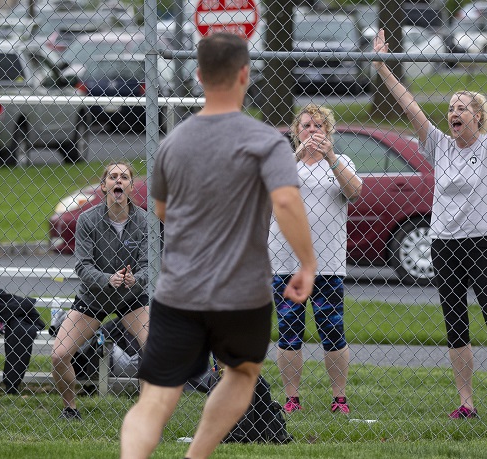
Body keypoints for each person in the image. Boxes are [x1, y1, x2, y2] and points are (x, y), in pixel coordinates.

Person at [119, 32, 317, 459]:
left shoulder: (172, 143)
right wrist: (307, 262)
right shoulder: (267, 142)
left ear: (198, 75)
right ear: (245, 74)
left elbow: (162, 210)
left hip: (179, 288)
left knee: (156, 396)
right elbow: (285, 200)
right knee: (241, 374)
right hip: (239, 289)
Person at [373, 23, 487, 419]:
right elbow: (411, 107)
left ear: (477, 116)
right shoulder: (440, 146)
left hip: (485, 242)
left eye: (462, 107)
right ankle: (466, 403)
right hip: (445, 245)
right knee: (456, 327)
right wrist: (382, 68)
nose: (454, 113)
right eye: (450, 108)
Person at [269, 104, 362, 415]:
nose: (312, 131)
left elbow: (355, 191)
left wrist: (331, 158)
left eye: (319, 126)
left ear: (329, 132)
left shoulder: (341, 162)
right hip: (285, 263)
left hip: (328, 264)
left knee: (332, 330)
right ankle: (292, 397)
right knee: (289, 330)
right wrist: (296, 156)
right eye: (306, 125)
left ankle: (339, 397)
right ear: (296, 131)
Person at [51, 161, 149, 420]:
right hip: (94, 296)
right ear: (104, 186)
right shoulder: (87, 219)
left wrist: (134, 279)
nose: (119, 181)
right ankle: (70, 408)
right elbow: (82, 266)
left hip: (131, 297)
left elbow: (149, 267)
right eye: (113, 177)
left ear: (130, 186)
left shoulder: (145, 221)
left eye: (125, 177)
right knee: (59, 354)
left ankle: (146, 414)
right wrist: (108, 279)